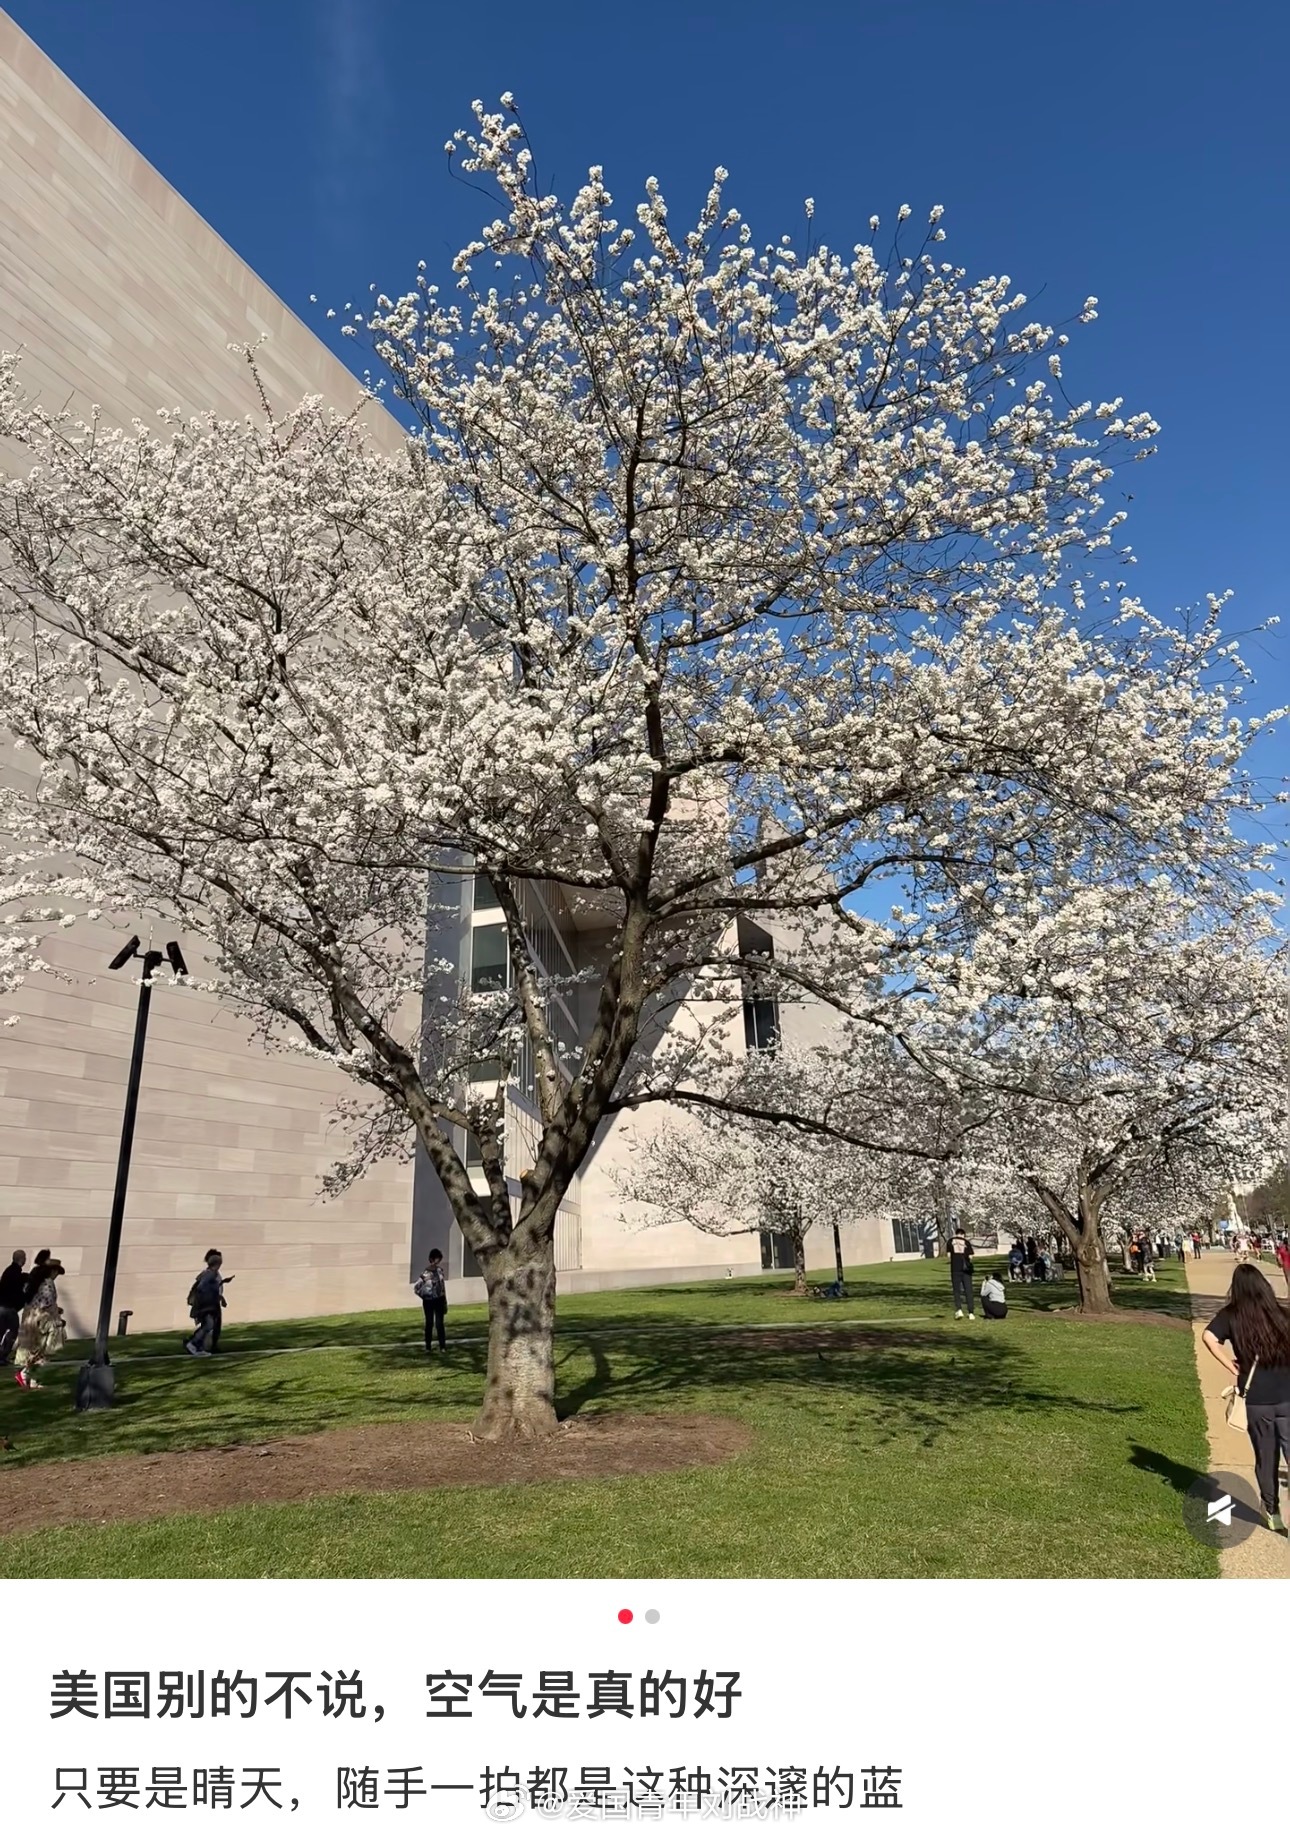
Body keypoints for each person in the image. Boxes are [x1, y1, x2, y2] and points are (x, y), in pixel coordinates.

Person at [1202, 1262, 1290, 1535]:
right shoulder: (1282, 1315)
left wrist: (1231, 1365)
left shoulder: (1231, 1316)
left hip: (1256, 1400)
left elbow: (1208, 1337)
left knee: (1266, 1456)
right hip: (1287, 1394)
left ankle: (1272, 1510)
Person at [13, 1257, 66, 1390]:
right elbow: (46, 1303)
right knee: (45, 1349)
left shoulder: (33, 1283)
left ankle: (32, 1379)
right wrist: (55, 1313)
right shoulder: (48, 1283)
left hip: (31, 1319)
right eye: (57, 1272)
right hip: (43, 1320)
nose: (57, 1276)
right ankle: (25, 1374)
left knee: (34, 1350)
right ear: (52, 1271)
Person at [184, 1252, 224, 1356]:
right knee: (209, 1325)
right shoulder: (210, 1274)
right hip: (206, 1306)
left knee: (209, 1325)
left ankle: (197, 1345)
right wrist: (207, 1299)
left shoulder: (210, 1274)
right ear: (218, 1264)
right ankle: (192, 1343)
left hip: (208, 1305)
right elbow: (201, 1287)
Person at [414, 1249, 448, 1352]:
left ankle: (442, 1346)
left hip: (439, 1300)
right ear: (431, 1259)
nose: (437, 1262)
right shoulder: (424, 1274)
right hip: (428, 1301)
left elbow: (442, 1286)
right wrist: (424, 1295)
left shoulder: (440, 1271)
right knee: (429, 1323)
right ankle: (428, 1347)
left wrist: (445, 1301)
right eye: (436, 1259)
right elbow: (416, 1288)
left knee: (439, 1323)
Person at [199, 1248, 233, 1352]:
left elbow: (215, 1287)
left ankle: (212, 1346)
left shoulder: (215, 1274)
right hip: (209, 1303)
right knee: (209, 1326)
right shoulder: (208, 1274)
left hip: (214, 1302)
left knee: (216, 1325)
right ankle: (203, 1346)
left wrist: (223, 1283)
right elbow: (205, 1288)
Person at [0, 1249, 27, 1363]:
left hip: (2, 1306)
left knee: (1, 1331)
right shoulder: (16, 1273)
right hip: (9, 1308)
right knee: (13, 1331)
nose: (25, 1260)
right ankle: (2, 1356)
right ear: (21, 1259)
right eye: (24, 1258)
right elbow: (18, 1291)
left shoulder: (9, 1271)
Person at [948, 1226, 974, 1320]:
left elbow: (948, 1255)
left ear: (956, 1234)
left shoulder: (950, 1241)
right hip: (966, 1269)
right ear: (963, 1235)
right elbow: (971, 1257)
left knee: (956, 1290)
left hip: (955, 1269)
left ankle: (959, 1310)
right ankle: (971, 1312)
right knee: (968, 1290)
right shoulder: (967, 1242)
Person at [1275, 1237, 1290, 1302]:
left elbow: (1278, 1257)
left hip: (1286, 1266)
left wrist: (1279, 1264)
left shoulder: (1281, 1248)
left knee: (1288, 1281)